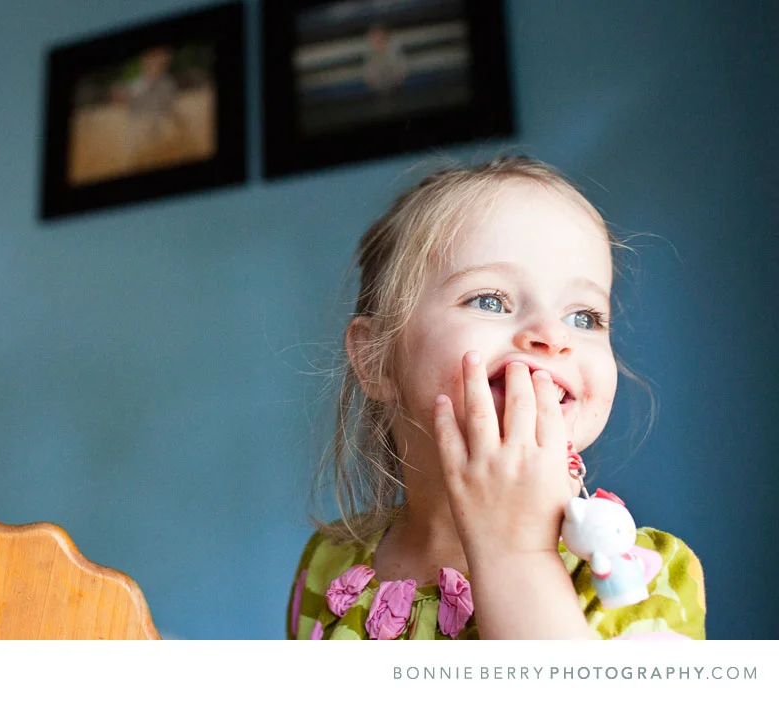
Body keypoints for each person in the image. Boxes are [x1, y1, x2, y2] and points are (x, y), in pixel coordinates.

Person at [287, 156, 706, 640]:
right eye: (490, 300)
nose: (552, 335)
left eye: (585, 317)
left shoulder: (641, 577)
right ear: (376, 361)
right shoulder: (325, 565)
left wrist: (517, 556)